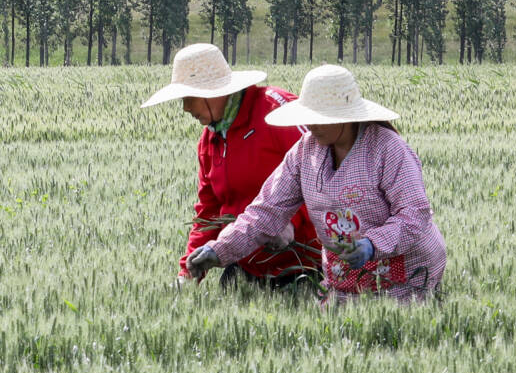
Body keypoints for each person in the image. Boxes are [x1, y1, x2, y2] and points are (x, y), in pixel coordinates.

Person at [187, 65, 446, 301]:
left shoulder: (387, 148)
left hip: (405, 276)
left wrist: (373, 244)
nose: (310, 124)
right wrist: (219, 249)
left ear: (344, 115)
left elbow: (414, 213)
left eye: (318, 117)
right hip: (344, 277)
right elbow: (267, 210)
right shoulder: (305, 151)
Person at [141, 43, 319, 288]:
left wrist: (291, 221)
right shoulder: (210, 140)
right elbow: (209, 213)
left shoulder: (278, 113)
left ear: (213, 92)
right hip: (248, 266)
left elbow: (324, 171)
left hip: (306, 265)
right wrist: (188, 274)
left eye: (189, 98)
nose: (186, 108)